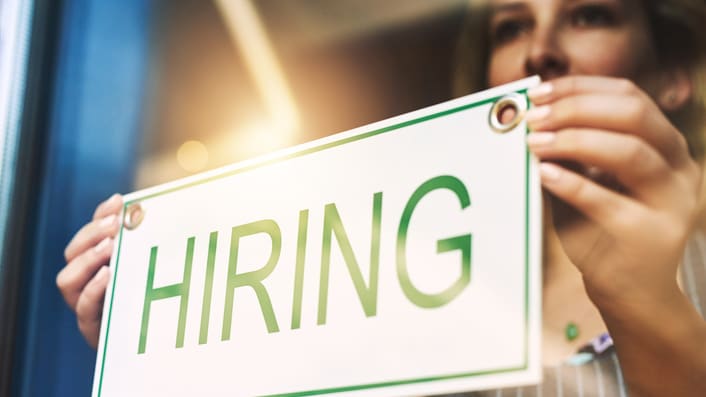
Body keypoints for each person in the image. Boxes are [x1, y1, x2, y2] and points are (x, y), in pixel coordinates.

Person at [57, 0, 706, 395]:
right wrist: (165, 355)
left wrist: (651, 309)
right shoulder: (424, 277)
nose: (541, 49)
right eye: (511, 28)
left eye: (591, 14)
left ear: (675, 76)